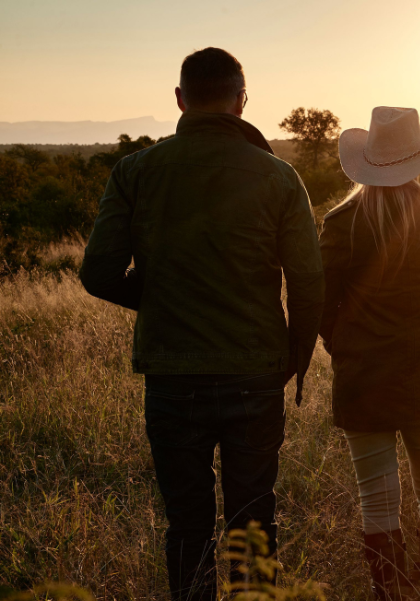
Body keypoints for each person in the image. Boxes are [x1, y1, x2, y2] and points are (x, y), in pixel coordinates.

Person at [79, 48, 324, 600]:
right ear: (242, 100)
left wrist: (164, 296)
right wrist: (296, 363)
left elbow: (97, 272)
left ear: (180, 98)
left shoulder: (136, 171)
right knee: (254, 522)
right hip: (256, 372)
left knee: (187, 526)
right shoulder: (280, 177)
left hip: (172, 376)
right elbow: (309, 282)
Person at [319, 106, 420, 601]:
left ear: (366, 161)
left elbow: (322, 302)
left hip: (364, 377)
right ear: (417, 162)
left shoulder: (341, 223)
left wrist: (340, 347)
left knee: (376, 500)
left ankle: (386, 593)